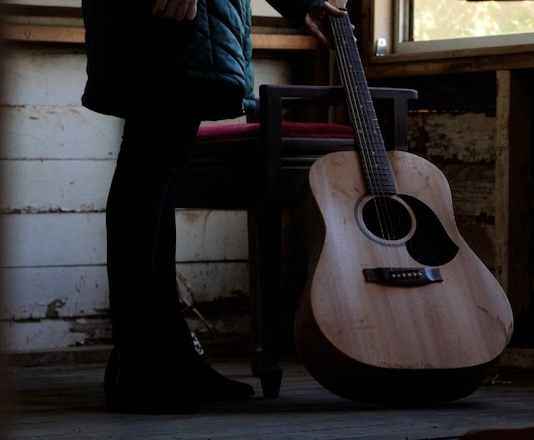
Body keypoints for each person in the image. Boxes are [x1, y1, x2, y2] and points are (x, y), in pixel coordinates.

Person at [80, 0, 347, 413]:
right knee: (150, 165)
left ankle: (164, 354)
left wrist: (300, 3)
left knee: (158, 170)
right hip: (162, 18)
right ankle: (137, 360)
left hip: (188, 21)